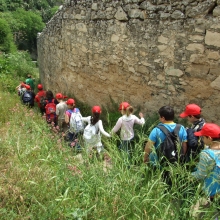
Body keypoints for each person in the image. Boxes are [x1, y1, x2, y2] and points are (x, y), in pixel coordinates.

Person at [144, 106, 187, 186]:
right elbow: (184, 146)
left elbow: (149, 146)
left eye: (159, 117)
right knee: (173, 183)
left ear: (163, 118)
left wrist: (145, 157)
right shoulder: (181, 128)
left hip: (159, 163)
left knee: (159, 183)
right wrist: (181, 157)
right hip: (176, 163)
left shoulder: (157, 130)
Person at [191, 123, 220, 201]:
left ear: (209, 138)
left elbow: (201, 174)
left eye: (203, 137)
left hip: (214, 190)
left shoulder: (206, 154)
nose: (202, 139)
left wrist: (190, 175)